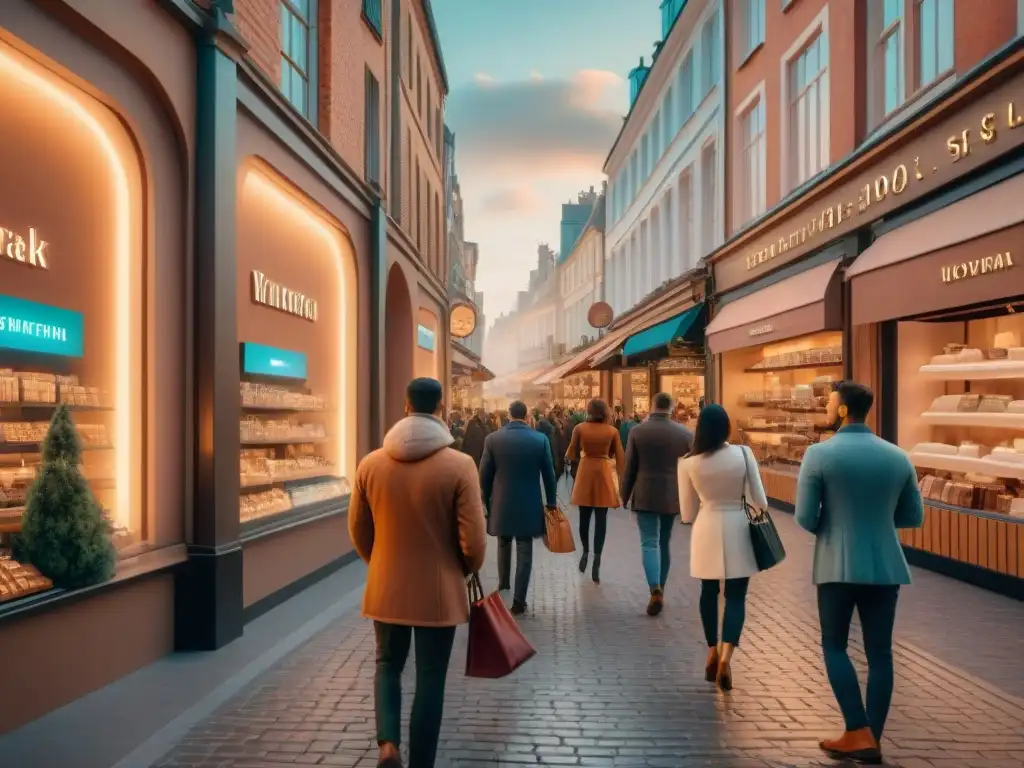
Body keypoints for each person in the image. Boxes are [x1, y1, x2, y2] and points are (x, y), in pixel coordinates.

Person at [349, 378, 487, 768]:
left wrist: (380, 563)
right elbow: (473, 541)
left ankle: (388, 745)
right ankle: (421, 762)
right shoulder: (460, 466)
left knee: (387, 665)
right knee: (430, 677)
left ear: (405, 406)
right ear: (441, 407)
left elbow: (358, 530)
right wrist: (463, 569)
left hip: (386, 584)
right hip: (439, 589)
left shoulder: (371, 464)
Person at [795, 381, 924, 764]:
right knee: (880, 652)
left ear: (841, 410)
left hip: (836, 564)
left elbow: (804, 516)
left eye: (829, 402)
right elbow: (912, 516)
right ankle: (873, 737)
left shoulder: (819, 454)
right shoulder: (898, 457)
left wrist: (831, 527)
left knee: (834, 645)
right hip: (886, 565)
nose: (826, 406)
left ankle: (856, 729)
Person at [677, 403, 766, 692]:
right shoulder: (743, 453)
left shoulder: (688, 462)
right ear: (727, 426)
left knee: (708, 591)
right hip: (739, 526)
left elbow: (687, 512)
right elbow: (760, 500)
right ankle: (728, 656)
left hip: (707, 526)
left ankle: (711, 650)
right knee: (737, 596)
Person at [479, 399, 558, 615]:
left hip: (501, 502)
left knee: (503, 542)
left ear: (509, 414)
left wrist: (484, 502)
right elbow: (549, 476)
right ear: (527, 416)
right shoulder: (539, 439)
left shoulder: (493, 439)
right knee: (525, 548)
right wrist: (551, 503)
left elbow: (484, 475)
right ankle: (519, 600)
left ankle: (503, 584)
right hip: (529, 502)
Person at [620, 392, 693, 616]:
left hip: (645, 493)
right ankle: (662, 587)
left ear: (652, 406)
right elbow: (690, 467)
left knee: (649, 542)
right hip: (672, 495)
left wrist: (624, 494)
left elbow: (630, 466)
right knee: (664, 542)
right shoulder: (684, 434)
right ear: (671, 408)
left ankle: (655, 588)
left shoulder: (638, 431)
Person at [565, 398, 625, 584]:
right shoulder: (612, 431)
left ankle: (585, 551)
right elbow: (619, 456)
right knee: (601, 518)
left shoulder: (580, 428)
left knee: (584, 517)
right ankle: (597, 558)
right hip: (603, 472)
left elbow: (571, 453)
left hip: (585, 471)